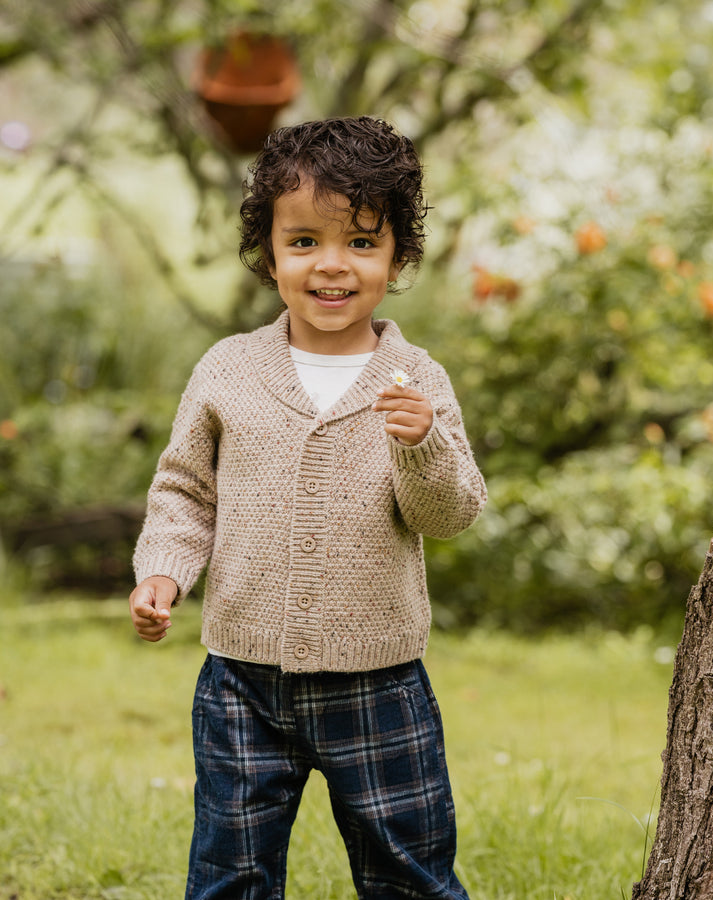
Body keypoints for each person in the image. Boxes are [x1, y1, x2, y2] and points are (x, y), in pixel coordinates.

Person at [129, 116, 487, 900]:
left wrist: (423, 443)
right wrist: (163, 571)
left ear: (398, 259)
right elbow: (186, 491)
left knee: (411, 874)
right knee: (230, 872)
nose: (333, 266)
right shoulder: (228, 369)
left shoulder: (414, 379)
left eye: (362, 243)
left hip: (379, 681)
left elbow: (451, 513)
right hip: (240, 683)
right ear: (269, 254)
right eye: (304, 242)